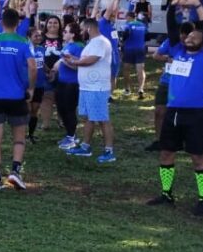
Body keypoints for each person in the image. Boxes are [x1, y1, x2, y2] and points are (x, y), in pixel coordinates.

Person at [148, 0, 203, 216]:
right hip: (173, 112)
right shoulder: (177, 51)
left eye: (195, 36)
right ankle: (167, 194)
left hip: (196, 113)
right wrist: (172, 6)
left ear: (202, 41)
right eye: (188, 35)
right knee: (166, 152)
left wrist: (197, 5)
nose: (190, 37)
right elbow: (171, 28)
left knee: (198, 157)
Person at [0, 8, 36, 191]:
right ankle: (15, 171)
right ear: (18, 23)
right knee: (19, 137)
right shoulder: (24, 42)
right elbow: (33, 67)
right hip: (17, 96)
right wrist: (31, 88)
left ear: (1, 22)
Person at [63, 19, 116, 163]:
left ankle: (109, 151)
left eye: (81, 29)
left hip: (97, 88)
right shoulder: (91, 43)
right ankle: (85, 147)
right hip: (86, 87)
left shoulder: (100, 42)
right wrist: (71, 58)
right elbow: (83, 59)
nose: (80, 32)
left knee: (102, 119)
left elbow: (91, 60)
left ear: (88, 28)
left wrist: (74, 62)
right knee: (88, 118)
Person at [52, 23, 84, 150]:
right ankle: (69, 134)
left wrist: (65, 61)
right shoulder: (68, 45)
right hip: (62, 82)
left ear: (73, 34)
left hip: (72, 84)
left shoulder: (78, 47)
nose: (63, 33)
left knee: (69, 110)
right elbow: (62, 61)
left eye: (66, 31)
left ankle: (71, 137)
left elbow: (79, 66)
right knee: (61, 109)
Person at [120, 11, 148, 98]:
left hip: (129, 49)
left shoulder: (127, 25)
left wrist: (121, 42)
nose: (125, 19)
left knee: (126, 70)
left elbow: (124, 36)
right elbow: (148, 36)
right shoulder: (143, 25)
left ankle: (127, 89)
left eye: (126, 17)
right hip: (140, 48)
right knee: (140, 70)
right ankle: (140, 89)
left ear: (129, 17)